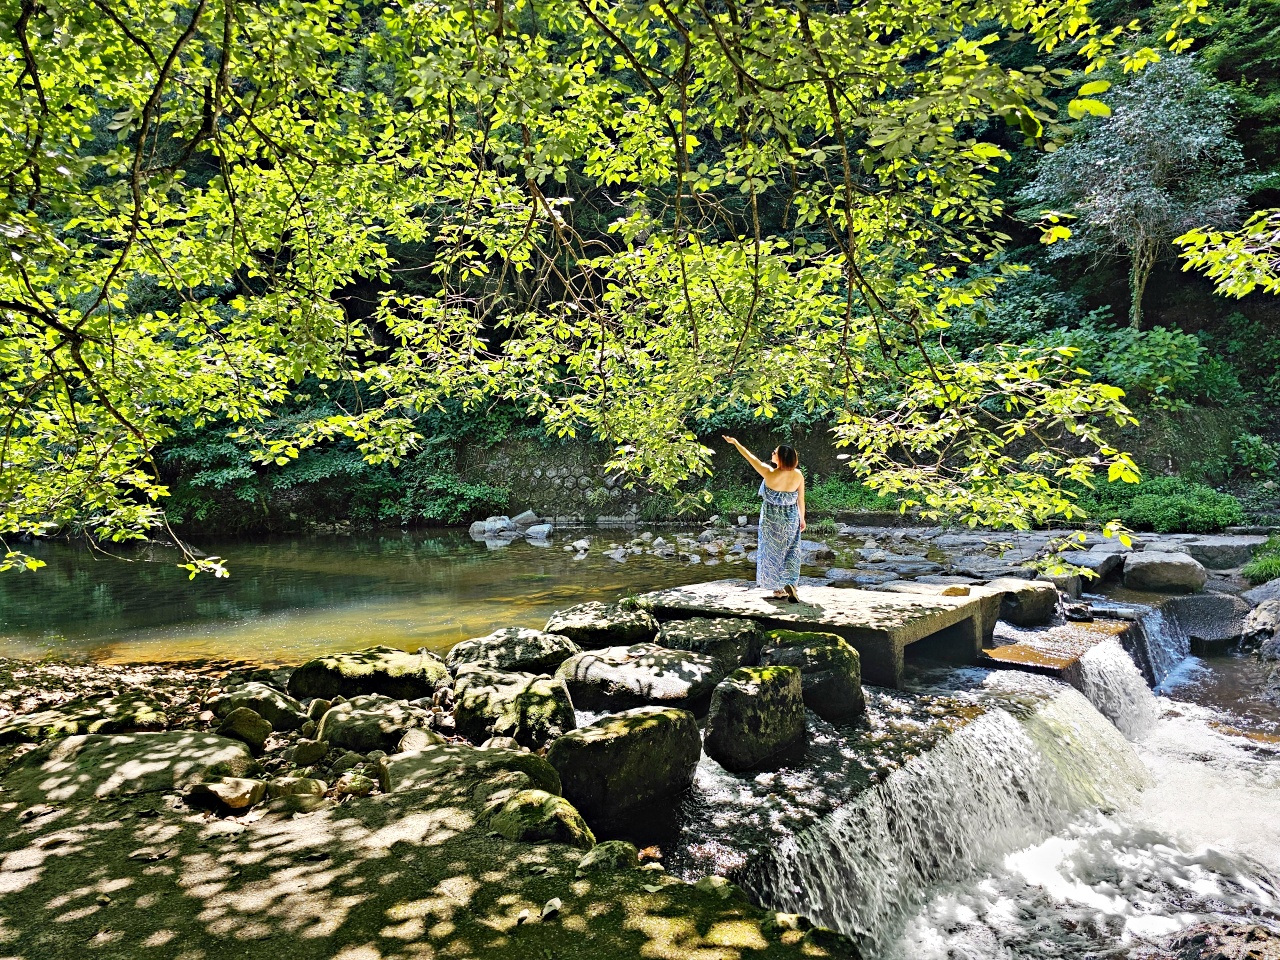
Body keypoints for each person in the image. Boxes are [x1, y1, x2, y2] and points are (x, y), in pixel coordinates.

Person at [723, 436, 805, 602]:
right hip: (791, 519)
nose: (772, 454)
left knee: (772, 553)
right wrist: (802, 518)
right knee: (791, 552)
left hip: (770, 521)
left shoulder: (769, 473)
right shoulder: (798, 475)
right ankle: (791, 583)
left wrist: (736, 443)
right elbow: (801, 499)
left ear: (780, 458)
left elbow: (750, 457)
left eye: (775, 452)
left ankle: (778, 589)